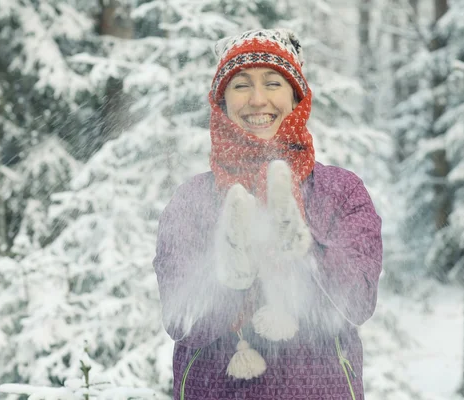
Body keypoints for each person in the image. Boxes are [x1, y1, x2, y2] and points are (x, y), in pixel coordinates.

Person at [153, 28, 382, 400]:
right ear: (221, 100)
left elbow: (356, 304)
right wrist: (228, 277)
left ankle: (290, 235)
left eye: (273, 82)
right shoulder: (193, 199)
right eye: (241, 85)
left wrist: (305, 254)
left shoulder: (340, 191)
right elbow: (183, 321)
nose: (258, 100)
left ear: (295, 96)